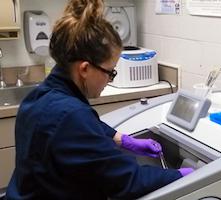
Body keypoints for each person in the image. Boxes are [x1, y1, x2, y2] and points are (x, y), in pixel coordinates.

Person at [5, 0, 193, 199]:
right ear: (85, 69)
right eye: (110, 72)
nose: (110, 79)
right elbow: (128, 181)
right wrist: (181, 174)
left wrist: (123, 139)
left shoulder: (42, 95)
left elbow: (80, 130)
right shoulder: (71, 115)